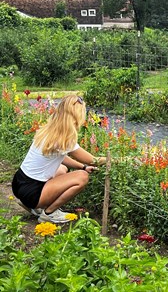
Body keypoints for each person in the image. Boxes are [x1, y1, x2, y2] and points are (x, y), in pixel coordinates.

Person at [12, 95, 106, 224]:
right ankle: (49, 213)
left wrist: (82, 166)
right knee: (82, 177)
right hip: (32, 192)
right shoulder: (66, 138)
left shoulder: (49, 130)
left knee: (62, 169)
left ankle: (35, 207)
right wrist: (119, 160)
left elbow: (61, 157)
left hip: (19, 184)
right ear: (77, 115)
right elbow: (93, 160)